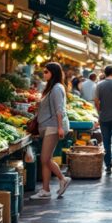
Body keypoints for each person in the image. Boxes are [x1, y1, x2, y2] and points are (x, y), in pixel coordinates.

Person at [31, 62, 71, 200]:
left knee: (45, 158)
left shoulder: (57, 88)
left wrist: (60, 127)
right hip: (48, 126)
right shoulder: (51, 88)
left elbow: (59, 109)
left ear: (53, 73)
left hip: (53, 126)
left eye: (46, 71)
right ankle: (45, 189)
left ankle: (63, 179)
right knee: (46, 159)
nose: (44, 73)